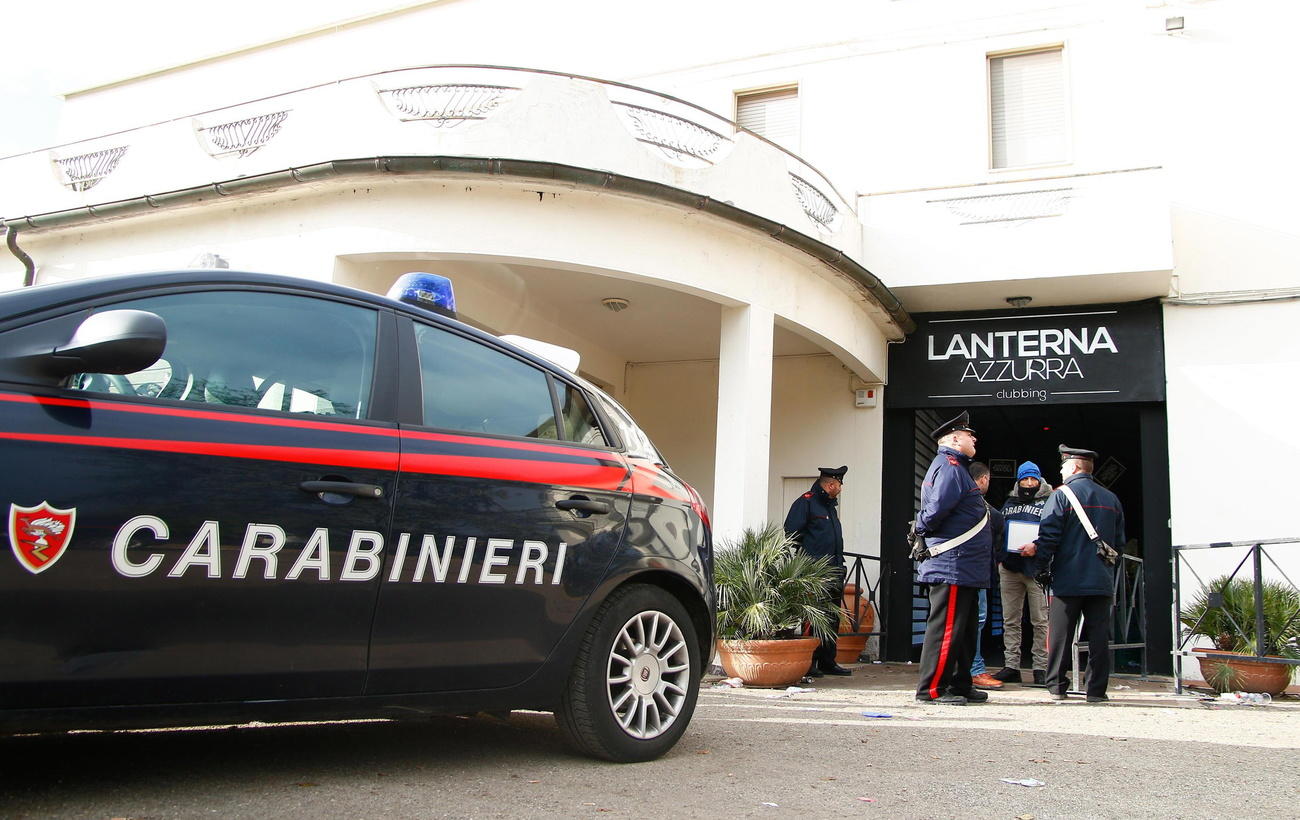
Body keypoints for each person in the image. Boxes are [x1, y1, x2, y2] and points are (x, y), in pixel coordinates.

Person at [913, 411, 994, 705]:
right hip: (952, 564)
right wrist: (919, 529)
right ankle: (932, 689)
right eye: (970, 435)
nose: (974, 439)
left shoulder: (958, 468)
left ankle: (960, 684)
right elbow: (934, 512)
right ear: (956, 438)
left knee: (965, 631)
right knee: (946, 630)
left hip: (965, 566)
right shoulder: (949, 467)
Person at [1034, 445, 1126, 703]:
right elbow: (1119, 543)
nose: (1061, 470)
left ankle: (1057, 687)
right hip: (1101, 580)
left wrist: (1040, 567)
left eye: (1063, 465)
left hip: (1067, 579)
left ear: (1074, 467)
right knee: (1099, 638)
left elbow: (1048, 536)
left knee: (1060, 635)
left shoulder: (1061, 495)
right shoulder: (1111, 498)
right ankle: (1096, 691)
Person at [783, 465, 852, 677]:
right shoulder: (806, 502)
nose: (840, 488)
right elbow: (791, 531)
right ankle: (809, 662)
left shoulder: (829, 506)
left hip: (834, 569)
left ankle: (827, 660)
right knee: (811, 617)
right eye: (839, 484)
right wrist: (810, 556)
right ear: (831, 484)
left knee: (831, 616)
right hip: (814, 571)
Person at [990, 461, 1052, 686]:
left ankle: (1041, 667)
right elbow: (999, 531)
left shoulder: (1049, 502)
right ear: (1018, 481)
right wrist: (999, 558)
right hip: (1010, 567)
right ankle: (1011, 666)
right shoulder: (1010, 502)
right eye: (1024, 479)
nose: (1028, 483)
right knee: (1010, 620)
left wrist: (1036, 546)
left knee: (1040, 620)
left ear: (1039, 480)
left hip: (1036, 569)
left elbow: (1053, 532)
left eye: (1032, 479)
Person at [968, 462, 1005, 691]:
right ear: (983, 479)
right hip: (973, 570)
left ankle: (965, 667)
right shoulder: (982, 508)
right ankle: (974, 669)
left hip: (958, 570)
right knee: (977, 619)